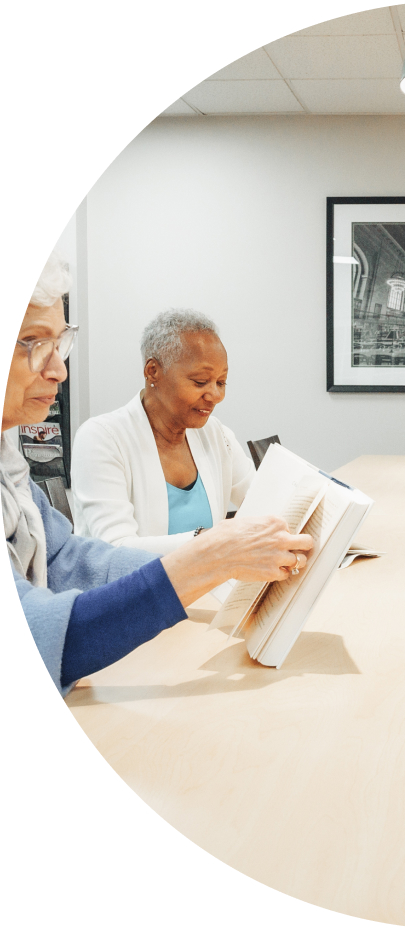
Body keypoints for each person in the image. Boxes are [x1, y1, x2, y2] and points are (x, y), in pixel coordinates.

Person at [5, 252, 313, 696]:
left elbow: (68, 560)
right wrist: (210, 554)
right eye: (34, 342)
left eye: (60, 344)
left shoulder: (10, 470)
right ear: (153, 372)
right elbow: (36, 639)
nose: (59, 370)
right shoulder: (104, 436)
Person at [71, 309, 254, 553]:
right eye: (200, 382)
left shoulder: (216, 434)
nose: (215, 396)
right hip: (132, 590)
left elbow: (261, 497)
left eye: (221, 382)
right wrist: (213, 541)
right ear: (152, 371)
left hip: (204, 588)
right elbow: (117, 549)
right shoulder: (101, 438)